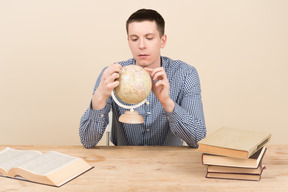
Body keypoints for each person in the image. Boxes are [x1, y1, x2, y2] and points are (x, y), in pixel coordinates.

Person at [79, 9, 206, 148]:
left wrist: (167, 103)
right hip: (123, 162)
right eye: (134, 39)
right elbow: (87, 141)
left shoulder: (185, 74)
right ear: (128, 42)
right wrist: (99, 97)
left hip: (170, 163)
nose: (141, 46)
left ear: (162, 41)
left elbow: (196, 137)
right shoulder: (111, 75)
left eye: (149, 38)